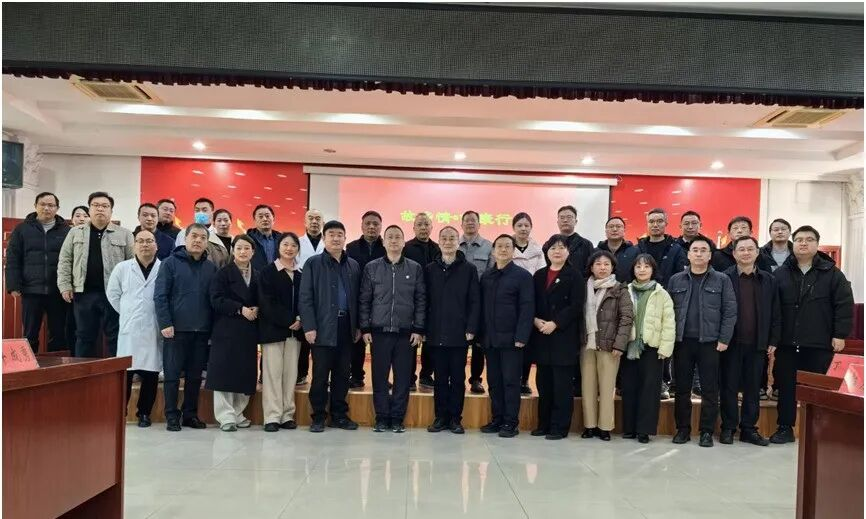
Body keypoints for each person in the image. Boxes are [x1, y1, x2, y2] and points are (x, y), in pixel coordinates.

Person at [770, 225, 853, 444]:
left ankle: (819, 430)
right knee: (786, 387)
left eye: (809, 239)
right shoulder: (780, 274)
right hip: (787, 343)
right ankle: (784, 428)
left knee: (818, 389)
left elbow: (844, 305)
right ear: (793, 244)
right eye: (799, 240)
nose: (803, 243)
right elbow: (773, 309)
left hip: (819, 343)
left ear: (817, 244)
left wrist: (840, 334)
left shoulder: (832, 274)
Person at [668, 237, 737, 447]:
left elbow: (730, 311)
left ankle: (706, 431)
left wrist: (724, 339)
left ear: (710, 255)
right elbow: (667, 312)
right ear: (688, 255)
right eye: (695, 250)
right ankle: (682, 429)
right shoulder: (676, 280)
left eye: (703, 250)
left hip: (711, 343)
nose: (698, 253)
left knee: (710, 389)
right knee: (681, 389)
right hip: (682, 342)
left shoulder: (722, 280)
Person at [360, 225, 426, 433]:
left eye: (398, 237)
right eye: (390, 237)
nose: (394, 240)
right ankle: (381, 417)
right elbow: (364, 299)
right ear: (384, 241)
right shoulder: (372, 267)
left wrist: (418, 328)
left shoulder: (415, 268)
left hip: (406, 333)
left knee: (403, 378)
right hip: (379, 332)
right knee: (379, 377)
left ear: (404, 242)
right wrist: (365, 327)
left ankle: (397, 418)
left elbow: (421, 300)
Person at [154, 223, 218, 431]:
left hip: (201, 331)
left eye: (202, 237)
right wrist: (165, 323)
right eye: (194, 236)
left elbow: (214, 300)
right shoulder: (170, 263)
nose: (198, 240)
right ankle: (172, 415)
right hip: (175, 330)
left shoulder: (211, 268)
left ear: (207, 242)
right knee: (172, 376)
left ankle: (190, 414)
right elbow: (160, 296)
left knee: (194, 377)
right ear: (185, 238)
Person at [298, 220, 362, 432]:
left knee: (342, 374)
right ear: (324, 238)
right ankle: (318, 416)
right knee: (320, 375)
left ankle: (339, 415)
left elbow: (358, 299)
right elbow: (305, 298)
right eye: (331, 234)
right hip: (322, 327)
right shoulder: (313, 264)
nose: (336, 238)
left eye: (339, 234)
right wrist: (309, 326)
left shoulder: (353, 265)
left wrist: (358, 326)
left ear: (345, 238)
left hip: (346, 326)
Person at [719, 236, 781, 447]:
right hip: (730, 343)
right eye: (741, 249)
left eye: (750, 249)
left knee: (753, 387)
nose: (745, 253)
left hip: (757, 343)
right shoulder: (724, 277)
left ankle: (748, 428)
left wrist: (773, 339)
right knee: (728, 387)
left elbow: (776, 312)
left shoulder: (768, 280)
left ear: (757, 253)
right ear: (734, 253)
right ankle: (728, 427)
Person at [57, 191, 134, 358]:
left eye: (105, 206)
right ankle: (82, 373)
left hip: (114, 295)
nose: (100, 209)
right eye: (96, 205)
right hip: (84, 293)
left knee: (116, 336)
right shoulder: (75, 232)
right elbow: (65, 260)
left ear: (111, 211)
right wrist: (64, 286)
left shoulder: (125, 234)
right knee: (84, 337)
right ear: (89, 209)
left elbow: (132, 265)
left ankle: (116, 372)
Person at [425, 226, 480, 435]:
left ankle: (456, 419)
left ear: (459, 242)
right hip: (436, 332)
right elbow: (424, 300)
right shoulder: (430, 269)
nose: (448, 242)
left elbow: (475, 301)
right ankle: (440, 418)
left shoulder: (469, 269)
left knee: (457, 379)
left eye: (452, 238)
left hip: (460, 333)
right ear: (439, 242)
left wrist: (471, 327)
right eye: (444, 238)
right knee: (439, 379)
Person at [106, 229, 162, 428]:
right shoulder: (122, 268)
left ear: (156, 245)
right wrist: (128, 312)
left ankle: (144, 413)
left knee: (151, 373)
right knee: (126, 373)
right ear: (134, 245)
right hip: (129, 328)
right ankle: (120, 412)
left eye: (149, 241)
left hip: (154, 328)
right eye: (141, 241)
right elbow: (112, 294)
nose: (145, 244)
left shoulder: (163, 268)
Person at [479, 234, 534, 438]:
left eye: (507, 246)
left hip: (512, 340)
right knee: (494, 381)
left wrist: (522, 336)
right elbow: (481, 308)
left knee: (511, 382)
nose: (503, 250)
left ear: (513, 251)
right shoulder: (487, 276)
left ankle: (511, 422)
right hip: (490, 339)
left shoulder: (522, 276)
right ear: (493, 251)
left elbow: (527, 308)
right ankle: (497, 419)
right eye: (499, 246)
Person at [530, 235, 584, 440]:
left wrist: (556, 323)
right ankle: (543, 424)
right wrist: (535, 320)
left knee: (562, 386)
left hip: (563, 336)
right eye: (553, 248)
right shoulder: (539, 275)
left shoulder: (575, 275)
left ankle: (559, 427)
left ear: (568, 252)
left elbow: (576, 305)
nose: (557, 251)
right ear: (547, 251)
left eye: (561, 247)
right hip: (542, 335)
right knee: (544, 384)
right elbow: (531, 301)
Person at [206, 235, 260, 432]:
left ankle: (238, 413)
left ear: (253, 252)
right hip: (227, 329)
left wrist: (258, 308)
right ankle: (226, 416)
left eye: (247, 248)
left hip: (248, 331)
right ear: (233, 251)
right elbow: (216, 299)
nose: (243, 252)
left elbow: (263, 298)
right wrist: (239, 309)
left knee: (244, 373)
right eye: (239, 248)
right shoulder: (223, 273)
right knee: (224, 373)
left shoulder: (258, 274)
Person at [6, 192, 71, 353]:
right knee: (30, 334)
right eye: (42, 204)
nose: (46, 208)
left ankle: (57, 366)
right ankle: (30, 365)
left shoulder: (66, 231)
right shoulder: (22, 229)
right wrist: (13, 285)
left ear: (57, 208)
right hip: (31, 290)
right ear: (35, 206)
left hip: (58, 291)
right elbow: (13, 259)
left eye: (51, 205)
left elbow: (72, 260)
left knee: (59, 333)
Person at [580, 250, 634, 441]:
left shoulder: (620, 289)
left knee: (607, 387)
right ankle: (589, 426)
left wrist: (619, 344)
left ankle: (604, 427)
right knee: (587, 387)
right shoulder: (583, 288)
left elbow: (627, 318)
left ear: (612, 267)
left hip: (609, 346)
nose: (602, 267)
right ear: (591, 267)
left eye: (606, 264)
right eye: (598, 264)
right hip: (586, 344)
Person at [622, 254, 675, 443]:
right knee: (629, 388)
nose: (642, 270)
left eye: (646, 266)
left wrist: (665, 349)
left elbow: (669, 323)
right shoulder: (625, 290)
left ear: (653, 270)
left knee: (649, 390)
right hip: (628, 346)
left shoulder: (661, 293)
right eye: (638, 266)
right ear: (633, 270)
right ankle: (629, 428)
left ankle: (644, 430)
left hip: (652, 348)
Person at [636, 207, 687, 400]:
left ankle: (664, 381)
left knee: (663, 342)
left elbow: (680, 277)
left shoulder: (676, 249)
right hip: (641, 299)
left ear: (666, 223)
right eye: (651, 221)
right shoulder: (639, 247)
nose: (655, 224)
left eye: (659, 221)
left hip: (666, 300)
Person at [258, 233, 304, 432]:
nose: (289, 248)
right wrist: (289, 320)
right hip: (273, 332)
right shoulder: (268, 272)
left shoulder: (301, 273)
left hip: (295, 333)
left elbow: (306, 300)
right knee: (272, 375)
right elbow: (266, 302)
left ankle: (287, 415)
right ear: (278, 247)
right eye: (285, 244)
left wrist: (300, 319)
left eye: (293, 245)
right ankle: (272, 416)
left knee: (290, 375)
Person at [346, 211, 386, 389]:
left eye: (375, 224)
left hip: (381, 301)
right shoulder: (351, 247)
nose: (371, 227)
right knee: (357, 340)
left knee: (380, 344)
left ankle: (381, 379)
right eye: (368, 223)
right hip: (357, 299)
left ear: (381, 227)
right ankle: (356, 375)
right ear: (361, 226)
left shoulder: (386, 247)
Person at [403, 212, 440, 390]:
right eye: (420, 224)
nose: (423, 228)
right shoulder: (406, 247)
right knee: (411, 340)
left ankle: (426, 375)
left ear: (431, 227)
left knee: (430, 340)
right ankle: (409, 377)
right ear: (413, 228)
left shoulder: (438, 248)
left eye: (426, 224)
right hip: (411, 300)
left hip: (433, 301)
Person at [459, 210, 493, 395]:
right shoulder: (454, 244)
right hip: (458, 304)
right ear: (461, 224)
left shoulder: (489, 246)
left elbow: (492, 274)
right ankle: (458, 378)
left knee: (479, 344)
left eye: (473, 220)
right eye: (467, 220)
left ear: (479, 224)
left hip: (480, 302)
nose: (470, 223)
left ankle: (476, 379)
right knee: (459, 343)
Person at [511, 212, 546, 395]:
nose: (523, 228)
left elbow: (542, 276)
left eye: (526, 225)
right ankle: (511, 379)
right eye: (519, 225)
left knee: (527, 343)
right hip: (510, 301)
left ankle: (524, 380)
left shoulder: (538, 250)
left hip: (531, 300)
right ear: (513, 228)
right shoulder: (506, 246)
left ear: (531, 227)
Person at [760, 217, 793, 400]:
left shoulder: (796, 254)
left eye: (783, 229)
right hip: (766, 305)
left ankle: (780, 386)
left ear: (789, 232)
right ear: (770, 233)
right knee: (763, 347)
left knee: (785, 349)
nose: (779, 232)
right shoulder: (761, 253)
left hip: (790, 306)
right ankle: (761, 385)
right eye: (775, 229)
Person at [297, 208, 325, 386]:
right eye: (311, 218)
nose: (314, 222)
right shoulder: (297, 243)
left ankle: (321, 378)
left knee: (322, 343)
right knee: (303, 339)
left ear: (322, 223)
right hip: (304, 294)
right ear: (305, 222)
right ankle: (301, 374)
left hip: (324, 298)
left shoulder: (328, 242)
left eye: (318, 219)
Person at [174, 198, 230, 268]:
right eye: (197, 210)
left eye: (204, 210)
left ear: (212, 212)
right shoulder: (183, 233)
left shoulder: (218, 234)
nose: (200, 213)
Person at [542, 205, 594, 276]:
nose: (565, 220)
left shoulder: (586, 244)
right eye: (562, 218)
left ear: (576, 221)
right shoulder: (549, 245)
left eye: (569, 217)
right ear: (557, 222)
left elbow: (590, 269)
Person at [65, 205, 89, 347]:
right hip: (67, 288)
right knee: (68, 325)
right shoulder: (68, 235)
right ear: (72, 219)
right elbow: (65, 261)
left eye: (85, 216)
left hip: (84, 290)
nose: (81, 219)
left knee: (84, 328)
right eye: (78, 216)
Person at [596, 216, 639, 283]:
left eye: (618, 226)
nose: (615, 229)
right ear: (606, 231)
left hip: (627, 288)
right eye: (611, 227)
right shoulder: (596, 252)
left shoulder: (634, 252)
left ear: (624, 231)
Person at [247, 204, 282, 271]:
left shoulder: (281, 239)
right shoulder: (247, 239)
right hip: (255, 277)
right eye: (260, 216)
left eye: (267, 216)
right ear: (254, 220)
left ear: (273, 219)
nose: (265, 219)